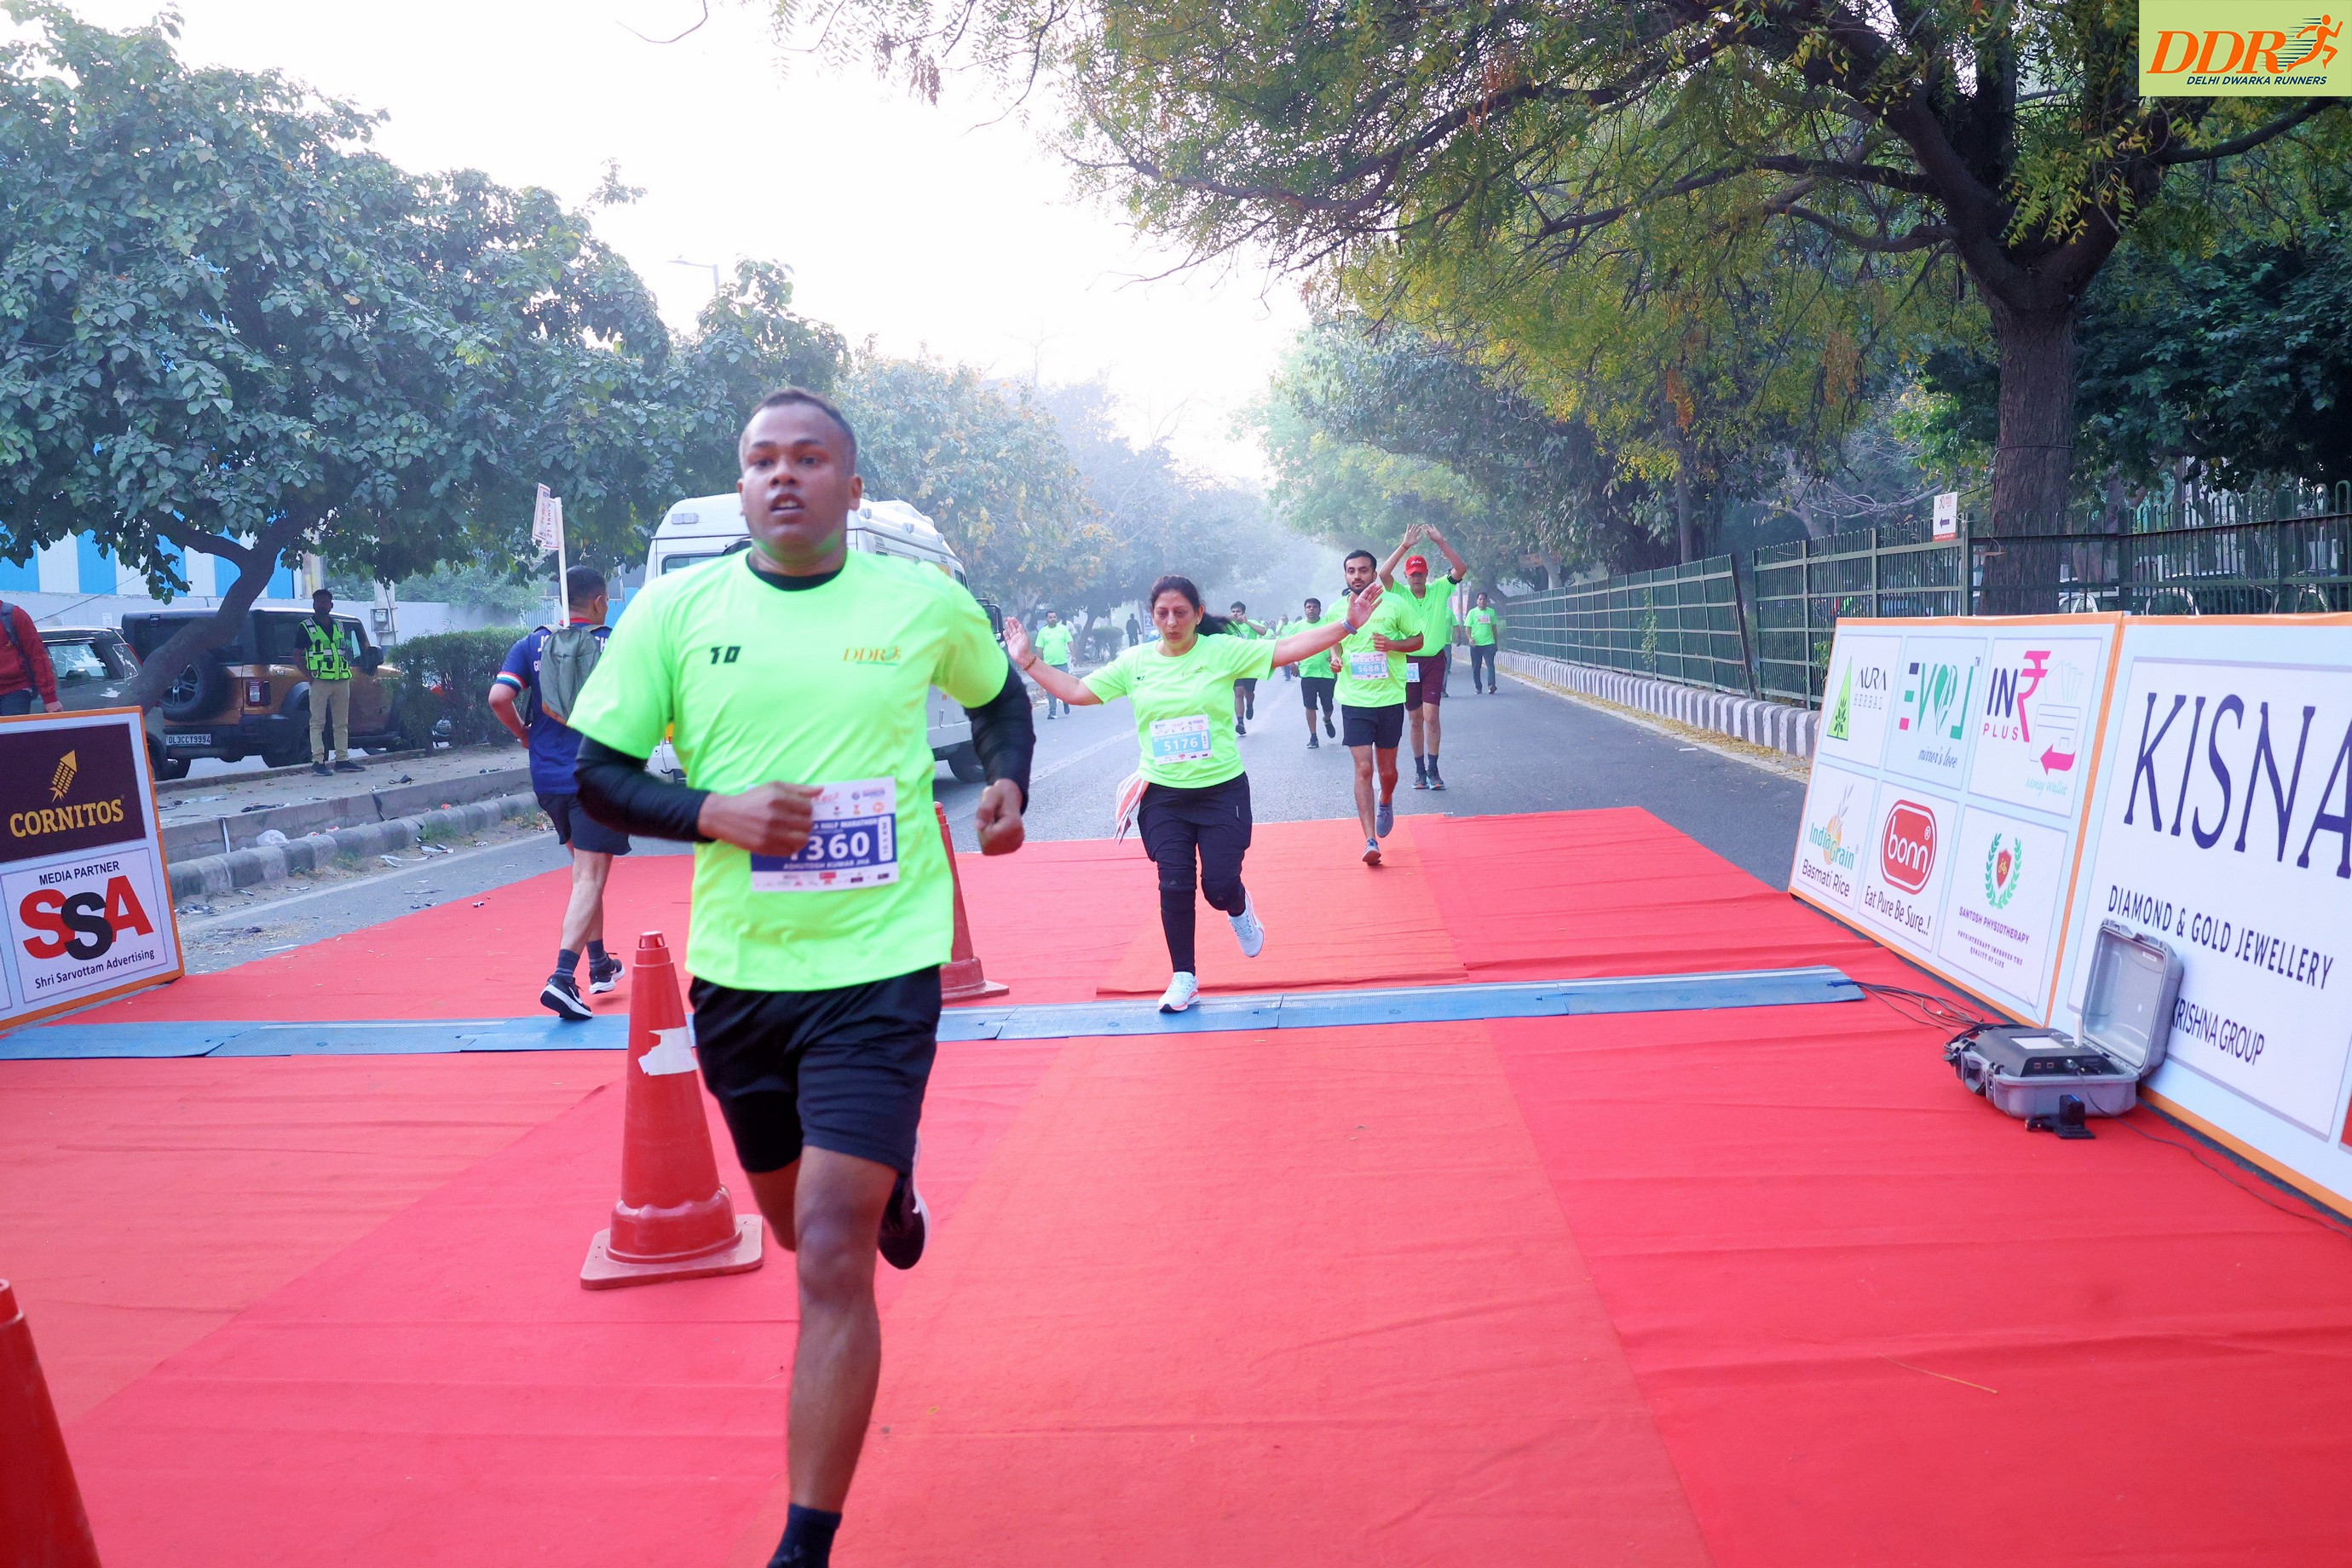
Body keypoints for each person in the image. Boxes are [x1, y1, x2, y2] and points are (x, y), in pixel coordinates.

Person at [567, 388, 1034, 1568]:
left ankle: (803, 1545)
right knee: (788, 1226)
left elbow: (1000, 701)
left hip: (883, 962)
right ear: (742, 486)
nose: (784, 476)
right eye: (762, 460)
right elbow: (597, 777)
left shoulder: (920, 600)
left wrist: (1008, 781)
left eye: (810, 458)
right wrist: (711, 812)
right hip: (740, 977)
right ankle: (893, 1183)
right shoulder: (676, 612)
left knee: (830, 1247)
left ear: (850, 488)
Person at [1006, 574, 1375, 1012]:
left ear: (1198, 614)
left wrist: (1347, 626)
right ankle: (1184, 976)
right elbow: (1079, 691)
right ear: (1152, 616)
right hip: (1163, 795)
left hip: (1221, 790)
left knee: (1218, 887)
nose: (1171, 622)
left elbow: (1288, 648)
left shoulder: (1221, 651)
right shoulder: (1134, 662)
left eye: (1181, 612)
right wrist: (1028, 661)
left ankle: (1238, 907)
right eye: (1162, 613)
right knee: (1174, 882)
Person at [489, 565, 631, 1021]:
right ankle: (562, 978)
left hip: (548, 777)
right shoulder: (616, 643)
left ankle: (600, 964)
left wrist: (524, 734)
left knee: (585, 874)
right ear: (600, 602)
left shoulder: (532, 643)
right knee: (590, 876)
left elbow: (499, 697)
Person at [1330, 549, 1422, 865]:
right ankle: (1370, 840)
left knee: (1387, 772)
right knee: (1364, 768)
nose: (1357, 576)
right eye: (1351, 571)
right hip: (1354, 700)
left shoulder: (1395, 604)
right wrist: (1335, 657)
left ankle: (1386, 798)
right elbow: (1333, 639)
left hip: (1389, 699)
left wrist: (1393, 645)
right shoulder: (1337, 609)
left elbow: (1418, 639)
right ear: (1346, 575)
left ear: (1373, 573)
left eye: (1363, 570)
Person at [1381, 526, 1467, 791]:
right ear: (1406, 577)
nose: (1416, 578)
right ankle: (1419, 771)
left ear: (1426, 574)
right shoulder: (1400, 593)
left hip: (1434, 661)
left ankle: (1433, 769)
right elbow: (1383, 574)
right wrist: (1405, 545)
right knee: (1415, 719)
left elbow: (1460, 569)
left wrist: (1441, 541)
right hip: (1408, 662)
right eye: (1412, 574)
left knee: (1432, 717)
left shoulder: (1439, 588)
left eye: (1420, 573)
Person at [300, 588, 360, 776]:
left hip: (341, 679)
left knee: (341, 723)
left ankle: (342, 759)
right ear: (314, 605)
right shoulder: (306, 627)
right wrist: (308, 676)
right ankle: (318, 761)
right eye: (319, 602)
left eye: (325, 602)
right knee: (317, 722)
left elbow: (345, 651)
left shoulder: (340, 626)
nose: (322, 605)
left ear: (331, 605)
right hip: (319, 680)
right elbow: (296, 654)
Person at [0, 597, 61, 715]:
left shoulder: (14, 615)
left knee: (13, 727)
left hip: (15, 690)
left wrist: (50, 698)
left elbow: (37, 655)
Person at [1295, 597, 1338, 748]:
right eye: (1308, 607)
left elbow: (1338, 641)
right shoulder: (1298, 627)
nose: (1311, 609)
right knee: (1310, 705)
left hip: (1327, 672)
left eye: (1314, 607)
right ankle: (1313, 736)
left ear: (1320, 610)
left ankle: (1327, 719)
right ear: (1305, 610)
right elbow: (1289, 645)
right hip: (1307, 673)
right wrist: (1292, 663)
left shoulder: (1328, 624)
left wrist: (1336, 655)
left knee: (1328, 705)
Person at [1225, 602, 1270, 735]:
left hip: (1250, 664)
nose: (1235, 614)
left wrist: (1247, 622)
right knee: (1238, 692)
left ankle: (1249, 704)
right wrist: (1226, 620)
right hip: (1235, 665)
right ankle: (1240, 723)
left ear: (1243, 613)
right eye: (1233, 611)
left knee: (1249, 692)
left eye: (1238, 611)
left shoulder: (1251, 623)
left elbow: (1263, 632)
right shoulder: (1228, 626)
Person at [1032, 610, 1077, 719]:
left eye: (1054, 617)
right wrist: (1039, 662)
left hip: (1062, 663)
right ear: (1046, 619)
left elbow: (1070, 642)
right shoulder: (1043, 632)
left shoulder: (1063, 629)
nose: (1053, 619)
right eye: (1050, 617)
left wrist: (1074, 656)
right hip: (1049, 665)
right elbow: (1039, 648)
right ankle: (1052, 712)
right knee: (1051, 689)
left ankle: (1066, 701)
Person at [1466, 592, 1502, 694]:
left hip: (1489, 643)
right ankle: (1478, 687)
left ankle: (1491, 685)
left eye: (1484, 599)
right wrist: (1470, 639)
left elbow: (1494, 629)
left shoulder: (1491, 612)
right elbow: (1467, 629)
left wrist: (1495, 643)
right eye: (1480, 599)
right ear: (1477, 601)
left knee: (1490, 665)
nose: (1482, 601)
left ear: (1487, 601)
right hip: (1476, 645)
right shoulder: (1472, 613)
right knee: (1476, 667)